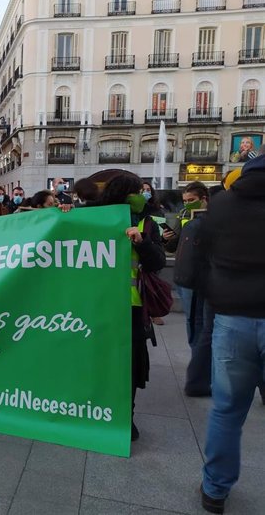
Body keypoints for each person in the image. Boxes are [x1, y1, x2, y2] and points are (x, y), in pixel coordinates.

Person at [199, 150, 265, 514]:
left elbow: (203, 249)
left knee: (226, 411)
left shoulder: (222, 205)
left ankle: (215, 491)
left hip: (233, 318)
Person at [95, 173, 166, 442]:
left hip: (133, 309)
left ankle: (126, 416)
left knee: (131, 366)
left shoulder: (148, 223)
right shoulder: (95, 216)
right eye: (138, 190)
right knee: (100, 362)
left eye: (145, 191)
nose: (143, 195)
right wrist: (63, 211)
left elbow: (158, 261)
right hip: (98, 307)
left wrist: (142, 242)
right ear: (123, 193)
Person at [164, 181, 209, 354]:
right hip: (186, 274)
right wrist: (166, 238)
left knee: (205, 318)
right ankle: (196, 352)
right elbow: (172, 246)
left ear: (203, 199)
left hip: (206, 275)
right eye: (185, 200)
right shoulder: (183, 215)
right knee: (191, 318)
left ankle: (204, 353)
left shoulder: (215, 216)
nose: (187, 203)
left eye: (191, 200)